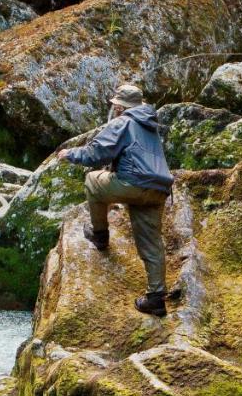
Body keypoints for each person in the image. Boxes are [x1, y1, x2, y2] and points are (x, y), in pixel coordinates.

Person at [57, 83, 174, 316]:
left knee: (92, 180)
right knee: (151, 242)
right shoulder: (151, 125)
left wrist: (70, 154)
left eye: (116, 105)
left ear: (120, 106)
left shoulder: (123, 122)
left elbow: (97, 153)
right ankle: (156, 299)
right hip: (159, 189)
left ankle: (99, 235)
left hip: (133, 184)